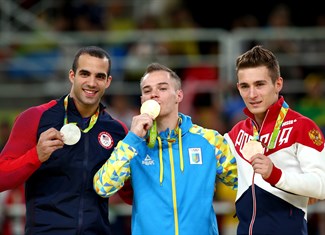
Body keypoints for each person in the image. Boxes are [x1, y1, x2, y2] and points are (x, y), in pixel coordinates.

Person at [93, 62, 238, 235]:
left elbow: (243, 182)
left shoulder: (209, 140)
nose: (153, 94)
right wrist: (132, 139)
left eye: (162, 88)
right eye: (147, 91)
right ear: (142, 101)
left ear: (179, 95)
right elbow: (103, 187)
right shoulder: (132, 146)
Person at [0, 46, 132, 234]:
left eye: (99, 76)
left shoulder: (117, 130)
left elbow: (129, 194)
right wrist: (36, 156)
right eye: (85, 74)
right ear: (72, 75)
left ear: (108, 81)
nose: (92, 83)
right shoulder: (36, 118)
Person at [223, 45, 325, 235]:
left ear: (278, 84)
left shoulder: (302, 127)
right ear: (238, 88)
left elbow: (322, 185)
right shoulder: (236, 133)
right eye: (245, 86)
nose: (252, 95)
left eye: (260, 84)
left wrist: (276, 175)